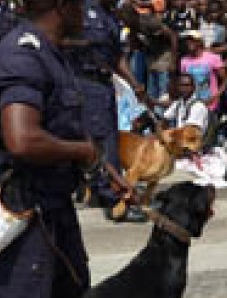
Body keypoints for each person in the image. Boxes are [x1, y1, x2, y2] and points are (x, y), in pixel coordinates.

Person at [0, 0, 99, 298]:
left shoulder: (51, 53)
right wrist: (82, 152)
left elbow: (58, 125)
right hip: (23, 202)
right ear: (61, 7)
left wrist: (97, 166)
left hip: (52, 198)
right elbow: (23, 139)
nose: (83, 11)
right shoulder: (23, 55)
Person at [67, 0, 144, 211]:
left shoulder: (110, 16)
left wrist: (134, 83)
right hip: (84, 81)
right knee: (101, 140)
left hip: (104, 84)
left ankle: (98, 188)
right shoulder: (80, 10)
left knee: (108, 137)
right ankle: (111, 196)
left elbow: (117, 56)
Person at [180, 29, 227, 111]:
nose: (188, 43)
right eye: (187, 41)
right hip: (192, 105)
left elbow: (224, 80)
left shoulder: (213, 58)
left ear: (199, 42)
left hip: (210, 104)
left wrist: (215, 96)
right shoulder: (184, 61)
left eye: (192, 40)